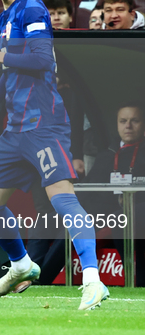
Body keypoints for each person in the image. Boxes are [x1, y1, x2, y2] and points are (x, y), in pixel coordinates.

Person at [0, 0, 109, 310]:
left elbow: (40, 59)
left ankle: (94, 281)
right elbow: (11, 70)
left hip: (43, 125)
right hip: (13, 129)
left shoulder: (32, 8)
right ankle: (21, 265)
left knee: (63, 201)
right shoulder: (5, 17)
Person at [78, 101, 145, 287]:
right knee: (56, 221)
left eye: (134, 121)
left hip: (133, 209)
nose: (128, 126)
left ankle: (136, 281)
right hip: (103, 210)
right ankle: (38, 279)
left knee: (120, 218)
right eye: (123, 121)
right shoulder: (107, 153)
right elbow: (88, 186)